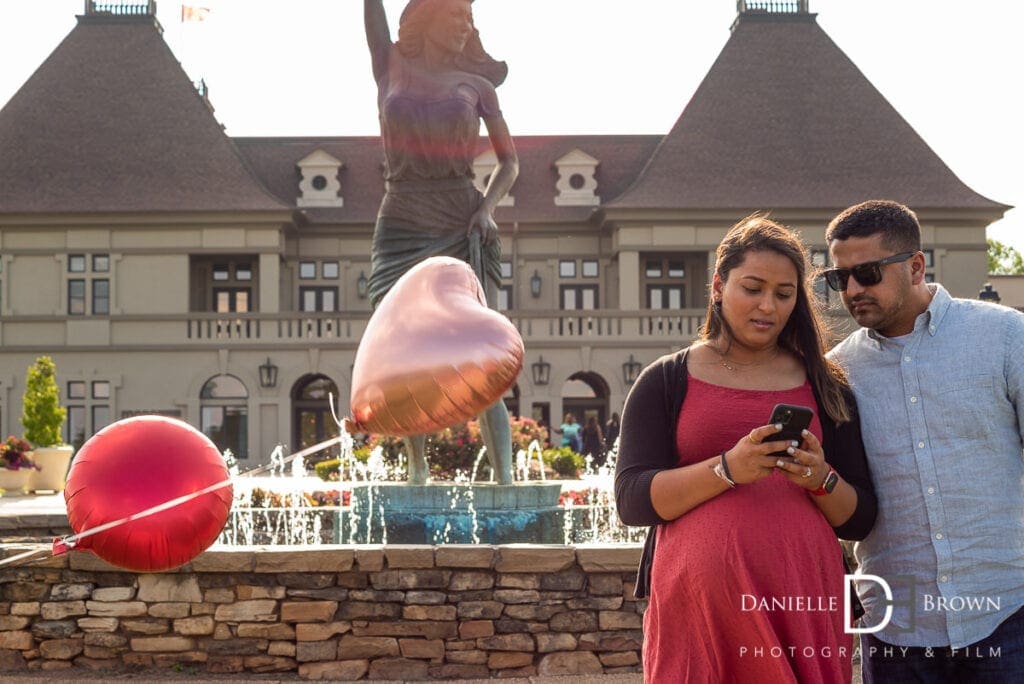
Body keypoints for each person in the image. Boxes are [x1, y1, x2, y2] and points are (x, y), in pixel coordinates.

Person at [615, 216, 877, 682]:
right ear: (718, 286)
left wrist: (821, 479)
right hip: (701, 608)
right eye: (752, 288)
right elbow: (632, 500)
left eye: (783, 293)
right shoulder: (665, 379)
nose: (768, 306)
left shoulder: (826, 384)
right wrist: (727, 469)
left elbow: (860, 518)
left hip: (804, 599)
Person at [825, 200, 1024, 682]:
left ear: (916, 265)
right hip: (896, 630)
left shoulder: (1006, 337)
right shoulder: (837, 371)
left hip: (1008, 618)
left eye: (867, 273)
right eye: (839, 278)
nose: (852, 290)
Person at [363, 0, 519, 485]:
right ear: (426, 19)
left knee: (480, 344)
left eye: (469, 22)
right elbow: (372, 12)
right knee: (404, 342)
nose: (464, 28)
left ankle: (506, 481)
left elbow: (509, 163)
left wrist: (486, 209)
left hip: (460, 216)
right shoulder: (388, 65)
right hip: (402, 216)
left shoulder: (479, 86)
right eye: (455, 17)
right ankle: (416, 466)